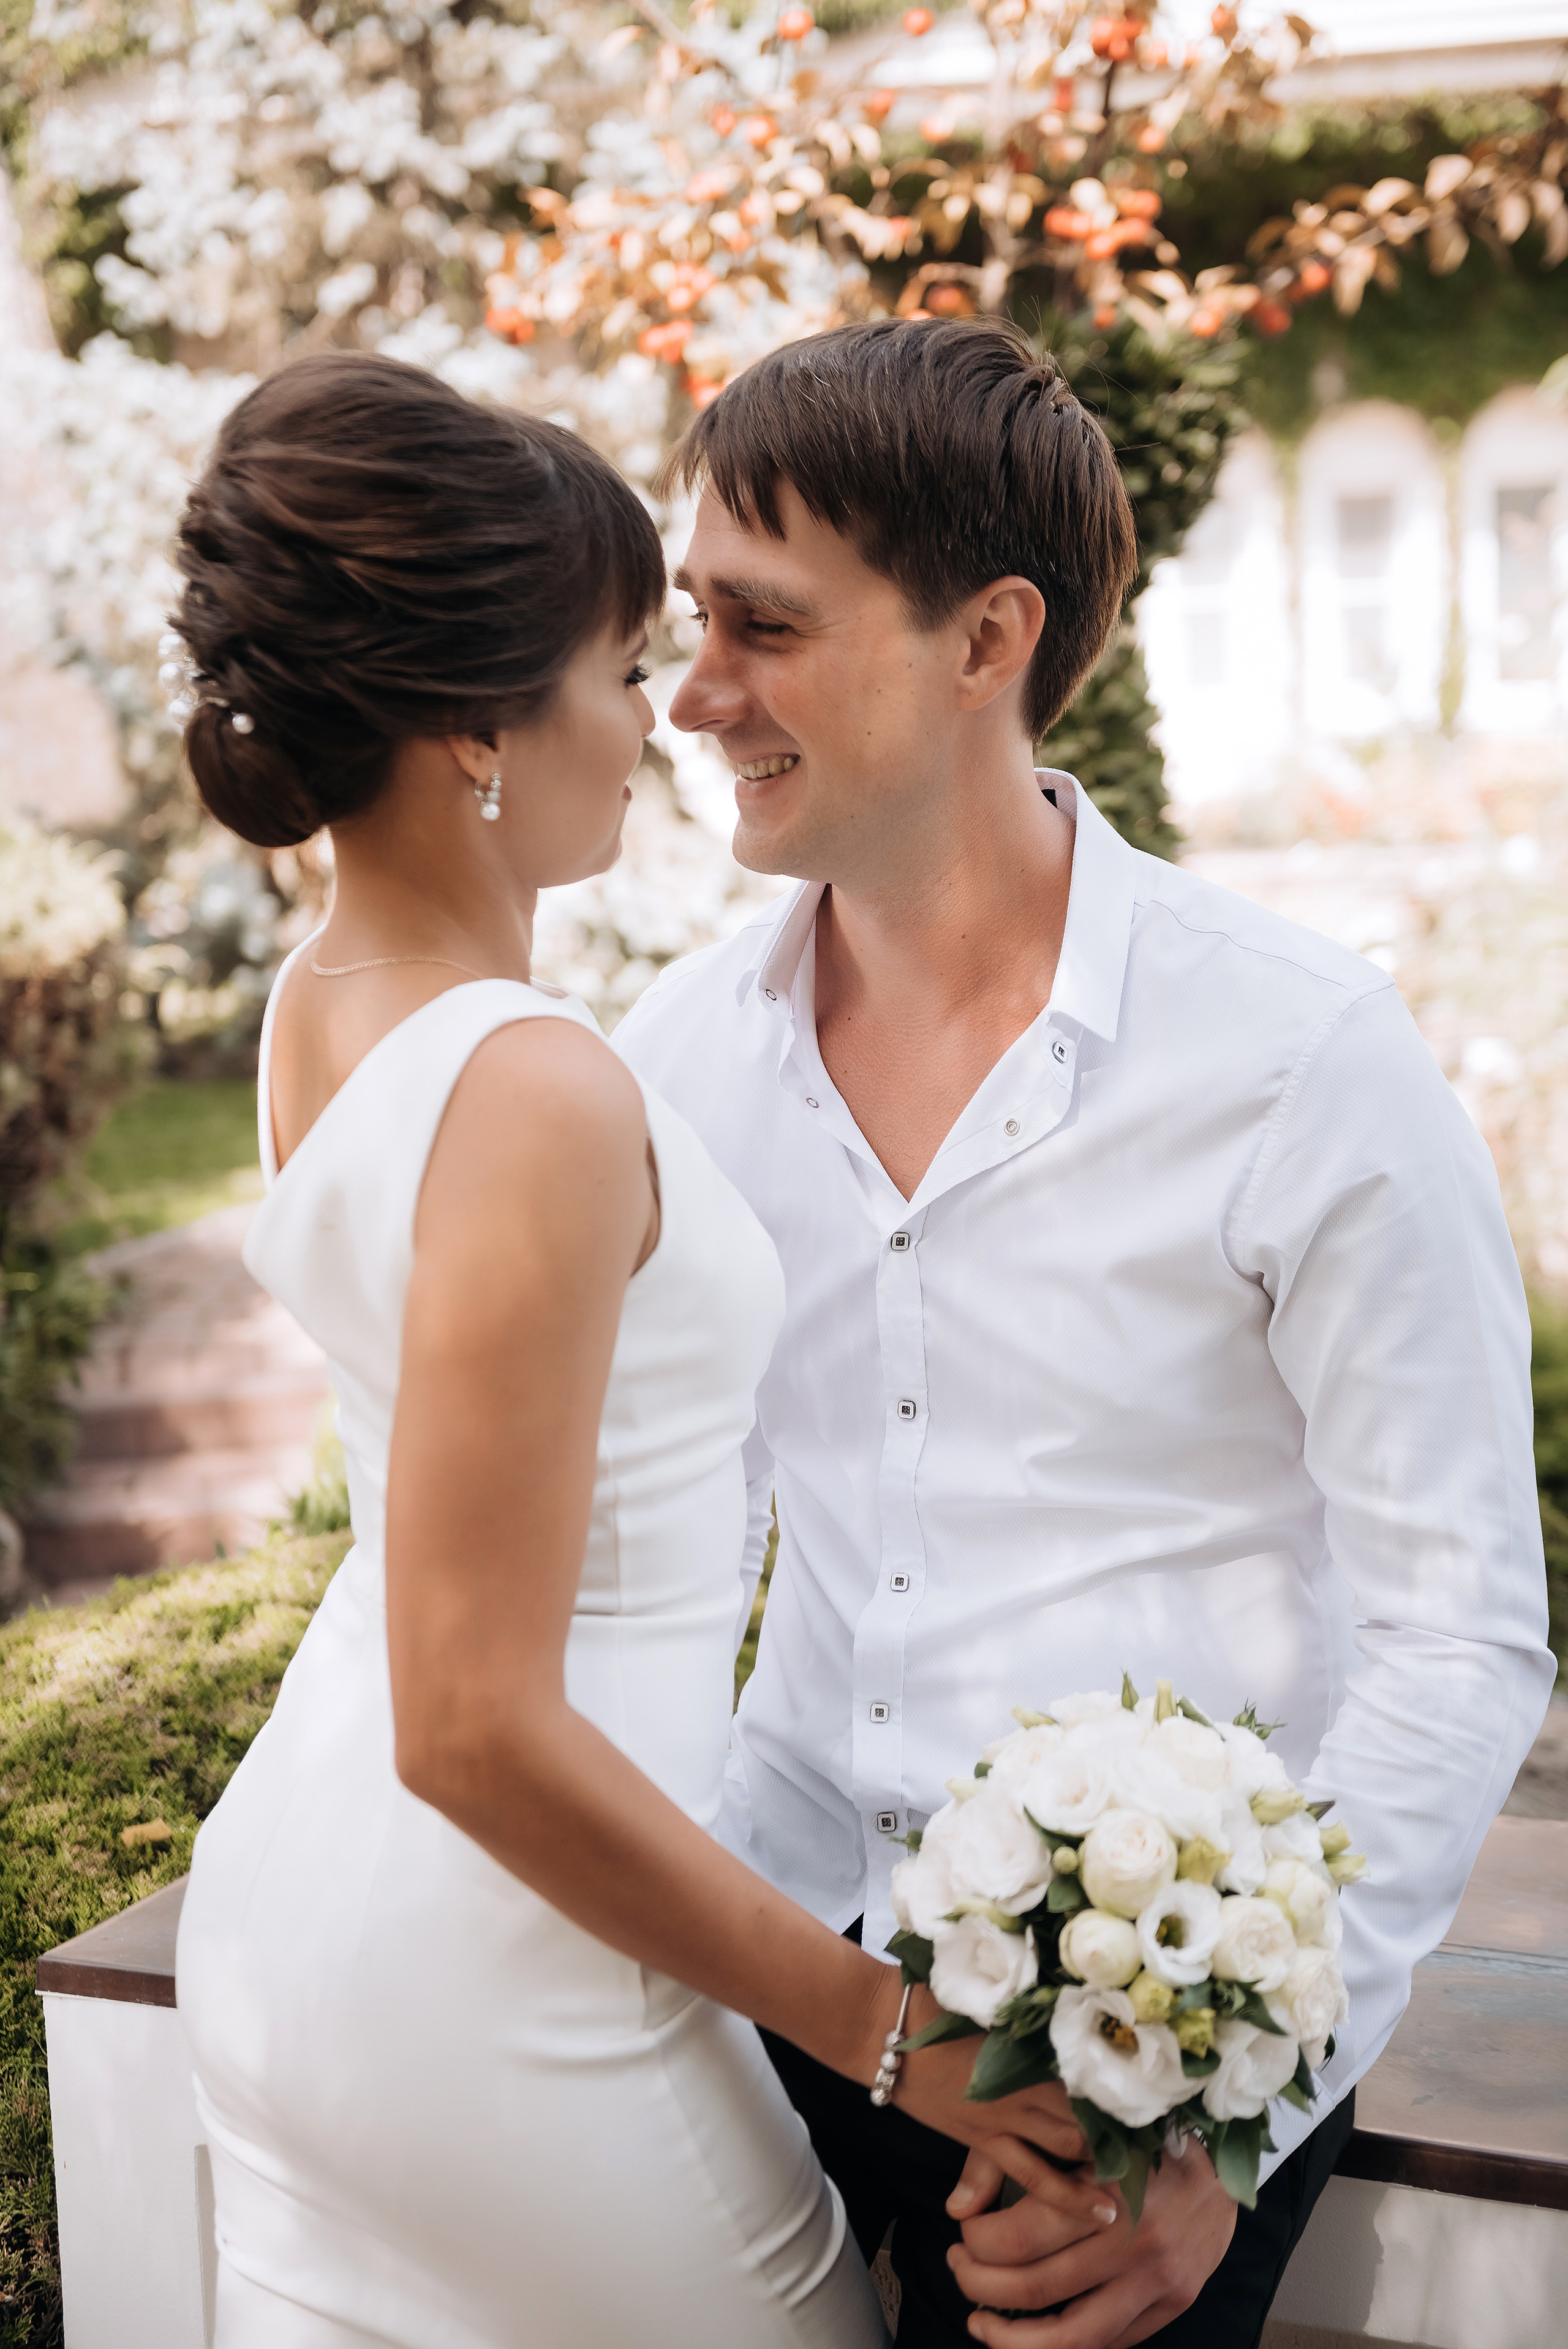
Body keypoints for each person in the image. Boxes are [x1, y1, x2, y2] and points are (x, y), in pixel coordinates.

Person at [614, 316, 1554, 2349]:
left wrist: (1232, 2115)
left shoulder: (1302, 1058)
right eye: (697, 621)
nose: (693, 693)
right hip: (777, 1963)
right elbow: (662, 1553)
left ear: (987, 639)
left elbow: (1458, 1631)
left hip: (1137, 2051)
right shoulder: (674, 1061)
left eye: (764, 626)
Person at [171, 351, 1103, 2349]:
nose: (660, 716)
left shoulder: (322, 1005)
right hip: (518, 1966)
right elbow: (471, 1721)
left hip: (301, 1917)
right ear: (474, 731)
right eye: (618, 668)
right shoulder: (533, 1089)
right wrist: (887, 2029)